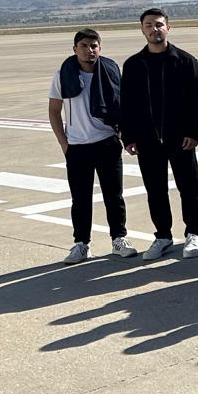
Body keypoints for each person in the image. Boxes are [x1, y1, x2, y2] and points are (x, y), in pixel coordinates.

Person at [119, 8, 198, 260]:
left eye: (158, 24)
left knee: (189, 187)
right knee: (155, 190)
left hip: (181, 138)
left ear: (168, 27)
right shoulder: (134, 64)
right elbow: (126, 103)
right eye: (149, 25)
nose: (154, 29)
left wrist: (194, 131)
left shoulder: (185, 61)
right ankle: (163, 236)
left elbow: (197, 100)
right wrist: (128, 136)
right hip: (147, 140)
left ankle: (193, 233)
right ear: (142, 29)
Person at [49, 28, 135, 263]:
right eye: (84, 46)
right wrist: (64, 144)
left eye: (94, 46)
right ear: (75, 49)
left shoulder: (110, 71)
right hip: (77, 147)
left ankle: (119, 239)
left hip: (107, 143)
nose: (89, 50)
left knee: (114, 196)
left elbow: (121, 106)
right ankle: (81, 244)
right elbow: (54, 111)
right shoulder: (63, 75)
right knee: (80, 198)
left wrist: (124, 135)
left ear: (100, 48)